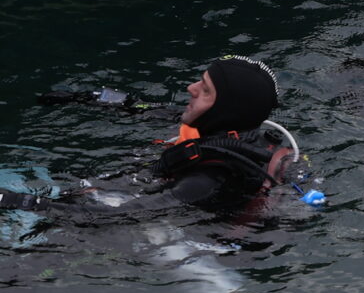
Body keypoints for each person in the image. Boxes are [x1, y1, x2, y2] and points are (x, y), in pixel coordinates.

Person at [0, 56, 311, 217]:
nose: (191, 89)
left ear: (225, 108)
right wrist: (90, 96)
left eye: (204, 90)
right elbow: (145, 108)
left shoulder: (211, 175)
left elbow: (127, 216)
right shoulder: (222, 128)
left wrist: (24, 202)